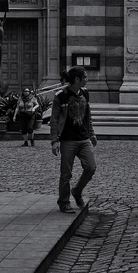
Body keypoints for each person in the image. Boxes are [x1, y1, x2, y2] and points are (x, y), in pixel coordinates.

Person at [50, 67, 97, 212]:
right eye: (85, 77)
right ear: (77, 79)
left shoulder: (85, 93)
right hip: (67, 140)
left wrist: (92, 133)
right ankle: (64, 202)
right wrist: (54, 140)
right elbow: (54, 119)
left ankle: (77, 191)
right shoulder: (61, 96)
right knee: (66, 174)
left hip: (83, 138)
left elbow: (87, 115)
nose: (87, 79)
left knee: (90, 167)